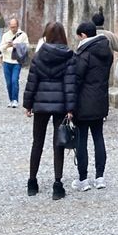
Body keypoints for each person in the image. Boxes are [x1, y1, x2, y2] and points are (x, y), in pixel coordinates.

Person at [23, 22, 80, 199]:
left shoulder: (39, 55)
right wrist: (70, 109)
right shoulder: (69, 56)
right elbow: (70, 84)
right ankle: (57, 185)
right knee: (58, 144)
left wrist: (28, 104)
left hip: (40, 104)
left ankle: (32, 182)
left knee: (37, 143)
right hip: (60, 105)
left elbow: (32, 82)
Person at [73, 20, 113, 190]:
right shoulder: (106, 51)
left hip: (83, 103)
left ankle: (83, 179)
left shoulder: (84, 54)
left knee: (81, 140)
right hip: (100, 100)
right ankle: (100, 177)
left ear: (83, 35)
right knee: (98, 138)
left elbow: (77, 79)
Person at [0, 18, 29, 108]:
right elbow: (1, 49)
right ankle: (11, 100)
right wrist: (7, 45)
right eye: (11, 27)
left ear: (17, 26)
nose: (13, 29)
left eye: (14, 27)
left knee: (14, 80)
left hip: (16, 61)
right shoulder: (5, 35)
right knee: (8, 82)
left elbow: (27, 47)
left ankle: (15, 100)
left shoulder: (23, 35)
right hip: (6, 61)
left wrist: (15, 45)